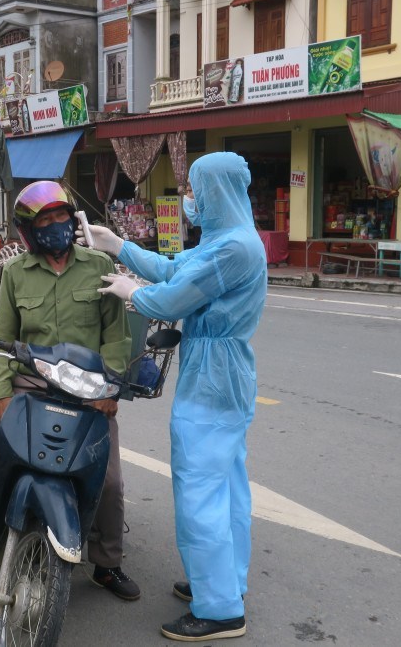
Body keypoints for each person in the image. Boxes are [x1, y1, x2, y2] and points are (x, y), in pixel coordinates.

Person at [82, 152, 267, 642]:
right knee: (226, 485)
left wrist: (128, 291)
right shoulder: (228, 240)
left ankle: (220, 610)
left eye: (195, 189)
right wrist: (119, 244)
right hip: (224, 374)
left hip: (213, 379)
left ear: (215, 192)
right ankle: (226, 582)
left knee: (199, 490)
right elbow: (172, 267)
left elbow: (170, 298)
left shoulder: (232, 250)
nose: (190, 198)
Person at [0, 180, 140, 601]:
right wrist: (2, 395)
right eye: (44, 220)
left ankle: (107, 563)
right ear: (30, 230)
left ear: (72, 218)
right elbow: (2, 340)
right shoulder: (14, 273)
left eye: (61, 216)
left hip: (88, 390)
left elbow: (117, 340)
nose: (55, 225)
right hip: (31, 385)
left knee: (109, 482)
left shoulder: (98, 264)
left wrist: (111, 389)